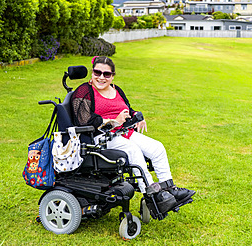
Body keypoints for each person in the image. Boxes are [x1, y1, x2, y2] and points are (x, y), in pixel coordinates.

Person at [71, 56, 195, 205]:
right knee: (133, 149)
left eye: (106, 74)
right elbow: (83, 120)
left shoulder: (116, 89)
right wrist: (114, 121)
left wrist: (136, 116)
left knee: (157, 148)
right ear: (92, 73)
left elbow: (127, 109)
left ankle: (169, 188)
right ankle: (152, 194)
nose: (101, 77)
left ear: (112, 76)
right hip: (100, 137)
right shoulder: (84, 90)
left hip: (123, 132)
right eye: (97, 73)